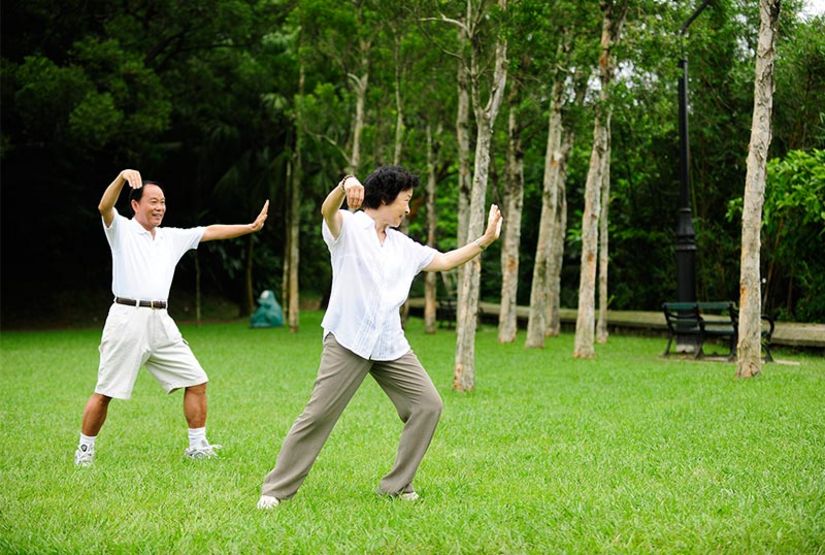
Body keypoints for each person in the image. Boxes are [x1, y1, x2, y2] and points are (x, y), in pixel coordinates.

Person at [257, 165, 502, 508]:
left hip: (390, 344)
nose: (407, 208)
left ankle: (397, 486)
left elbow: (444, 261)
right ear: (386, 197)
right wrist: (345, 184)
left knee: (427, 405)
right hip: (348, 340)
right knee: (318, 415)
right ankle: (275, 490)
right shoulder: (348, 228)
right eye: (406, 200)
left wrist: (485, 241)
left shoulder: (403, 246)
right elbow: (327, 210)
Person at [74, 169, 269, 466]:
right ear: (135, 205)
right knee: (105, 392)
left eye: (163, 202)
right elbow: (104, 206)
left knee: (196, 380)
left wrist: (251, 226)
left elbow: (210, 231)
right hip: (127, 318)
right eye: (153, 201)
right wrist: (121, 177)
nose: (159, 207)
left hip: (161, 321)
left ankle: (197, 447)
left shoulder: (170, 238)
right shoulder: (121, 230)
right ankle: (84, 451)